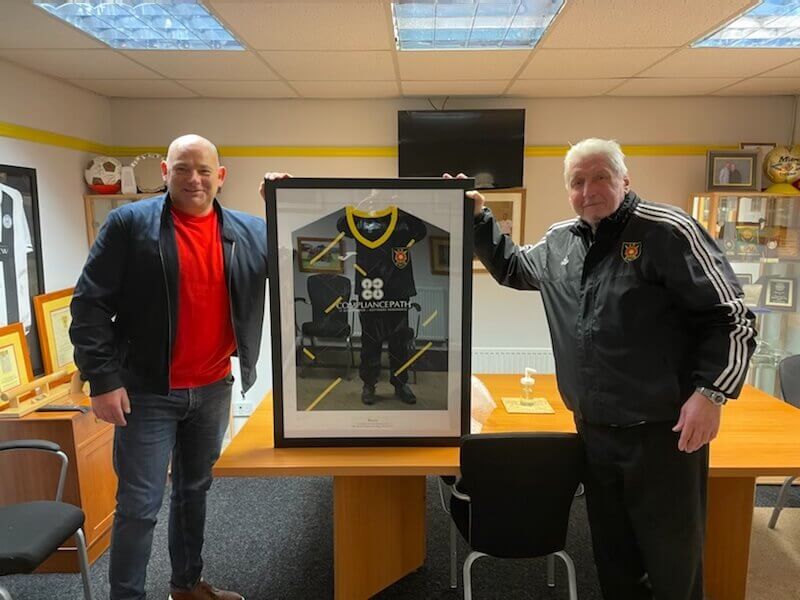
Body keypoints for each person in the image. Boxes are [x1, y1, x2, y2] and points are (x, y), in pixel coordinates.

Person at [465, 138, 757, 600]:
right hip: (595, 433)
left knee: (672, 563)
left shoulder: (668, 231)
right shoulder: (561, 240)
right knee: (614, 560)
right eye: (577, 182)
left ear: (625, 179)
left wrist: (711, 394)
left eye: (600, 176)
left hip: (666, 434)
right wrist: (479, 219)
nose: (589, 190)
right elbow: (514, 268)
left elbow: (733, 316)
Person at [70, 134, 268, 600]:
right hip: (146, 391)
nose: (193, 179)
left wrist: (281, 203)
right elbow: (90, 304)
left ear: (220, 177)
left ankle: (186, 586)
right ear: (164, 172)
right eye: (182, 168)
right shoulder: (129, 224)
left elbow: (305, 257)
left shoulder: (251, 231)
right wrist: (102, 378)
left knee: (193, 492)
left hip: (214, 386)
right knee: (139, 505)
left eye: (203, 170)